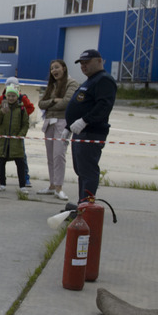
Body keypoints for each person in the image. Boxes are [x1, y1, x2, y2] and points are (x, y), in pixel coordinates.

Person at [66, 49, 117, 203]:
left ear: (99, 61)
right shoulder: (91, 80)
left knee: (88, 171)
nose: (83, 66)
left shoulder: (104, 80)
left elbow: (103, 106)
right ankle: (83, 204)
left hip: (91, 132)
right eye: (81, 63)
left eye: (87, 63)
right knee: (81, 170)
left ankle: (87, 207)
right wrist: (68, 127)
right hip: (80, 132)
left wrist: (84, 121)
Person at [36, 60, 79, 200]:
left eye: (57, 67)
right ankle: (52, 185)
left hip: (62, 122)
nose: (54, 70)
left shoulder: (71, 83)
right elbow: (41, 103)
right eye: (52, 68)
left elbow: (67, 103)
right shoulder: (52, 85)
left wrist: (49, 106)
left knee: (59, 155)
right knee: (50, 157)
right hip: (49, 123)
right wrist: (53, 101)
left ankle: (59, 187)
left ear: (64, 68)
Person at [0, 77, 35, 188]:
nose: (10, 98)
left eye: (13, 96)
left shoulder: (22, 104)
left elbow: (27, 118)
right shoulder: (2, 101)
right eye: (9, 95)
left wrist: (21, 133)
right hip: (3, 138)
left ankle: (25, 180)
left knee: (21, 160)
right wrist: (1, 112)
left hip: (16, 138)